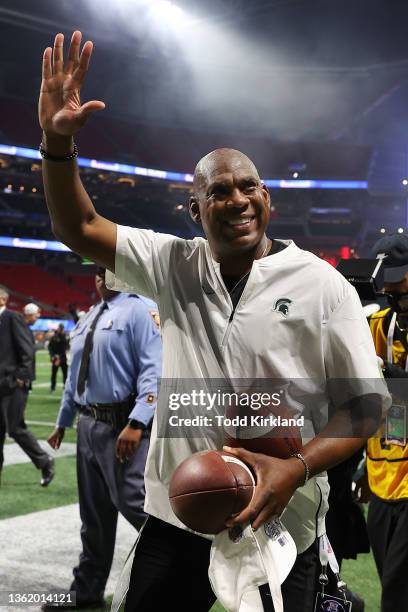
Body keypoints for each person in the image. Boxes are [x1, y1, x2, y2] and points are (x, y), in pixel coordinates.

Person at [38, 32, 388, 612]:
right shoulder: (172, 262)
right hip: (179, 513)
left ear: (267, 198)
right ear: (195, 209)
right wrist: (55, 142)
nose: (238, 199)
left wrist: (294, 468)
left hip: (284, 518)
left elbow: (371, 407)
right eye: (219, 191)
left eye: (249, 186)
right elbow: (79, 227)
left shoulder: (322, 282)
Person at [41, 268, 162, 611]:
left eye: (107, 270)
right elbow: (74, 377)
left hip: (122, 426)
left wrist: (139, 421)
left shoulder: (141, 309)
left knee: (136, 504)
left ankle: (185, 566)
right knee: (93, 515)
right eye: (95, 272)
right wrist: (62, 422)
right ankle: (86, 593)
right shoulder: (88, 316)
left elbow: (155, 369)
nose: (100, 277)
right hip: (88, 426)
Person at [361, 234, 408, 612]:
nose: (396, 300)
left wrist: (390, 376)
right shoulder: (378, 324)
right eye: (390, 294)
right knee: (387, 579)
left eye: (402, 294)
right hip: (381, 476)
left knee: (396, 593)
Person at [0, 292, 54, 486]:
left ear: (3, 299)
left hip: (12, 385)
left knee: (15, 428)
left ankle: (44, 460)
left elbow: (27, 349)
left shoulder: (12, 317)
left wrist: (20, 378)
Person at [48, 322, 69, 391]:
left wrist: (61, 357)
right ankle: (52, 387)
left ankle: (65, 387)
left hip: (63, 358)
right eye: (61, 328)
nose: (61, 330)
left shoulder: (65, 337)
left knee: (65, 374)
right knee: (54, 374)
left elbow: (66, 348)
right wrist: (53, 356)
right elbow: (50, 347)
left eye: (62, 328)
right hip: (56, 358)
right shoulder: (54, 337)